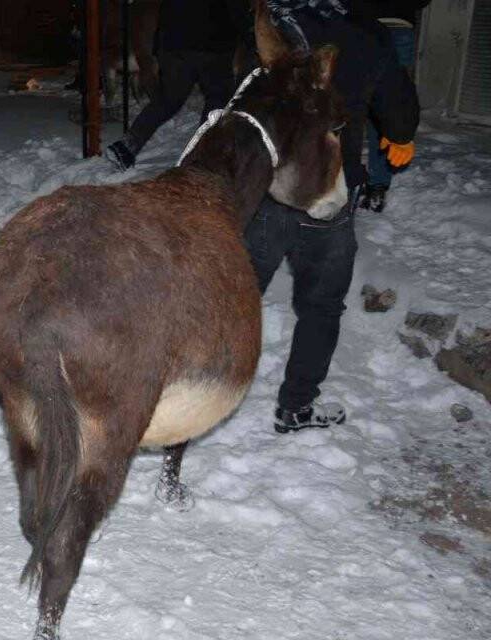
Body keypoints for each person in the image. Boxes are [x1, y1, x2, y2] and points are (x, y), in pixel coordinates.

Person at [245, 1, 418, 433]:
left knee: (238, 297)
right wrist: (401, 134)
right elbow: (399, 112)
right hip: (330, 193)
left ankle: (198, 386)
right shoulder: (365, 34)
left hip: (267, 188)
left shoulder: (268, 24)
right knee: (321, 306)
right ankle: (297, 406)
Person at [105, 0, 250, 170]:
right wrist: (249, 33)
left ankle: (126, 146)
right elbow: (236, 9)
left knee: (168, 99)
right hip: (211, 44)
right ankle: (201, 154)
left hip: (173, 43)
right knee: (218, 98)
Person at [360, 0, 429, 212]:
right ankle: (377, 186)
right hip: (394, 26)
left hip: (363, 25)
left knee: (351, 107)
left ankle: (348, 182)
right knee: (387, 110)